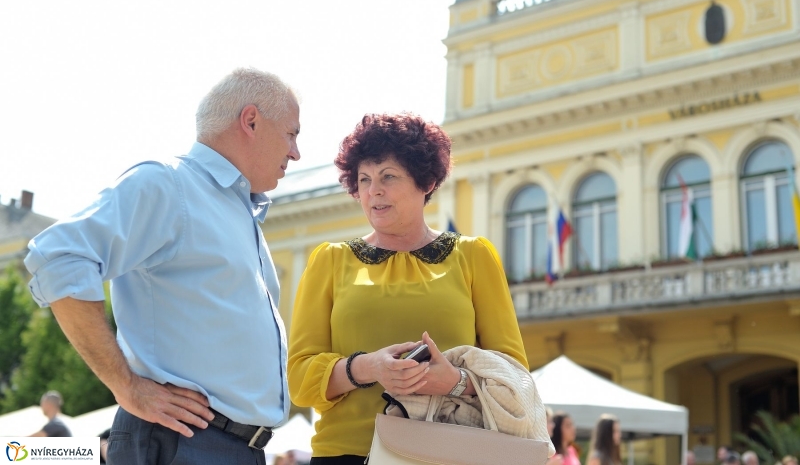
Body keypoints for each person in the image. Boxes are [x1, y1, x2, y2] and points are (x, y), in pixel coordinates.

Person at [24, 67, 301, 464]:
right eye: (292, 133)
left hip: (223, 446)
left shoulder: (238, 213)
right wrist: (127, 386)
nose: (295, 152)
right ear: (251, 120)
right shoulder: (170, 184)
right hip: (181, 442)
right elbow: (59, 256)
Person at [287, 113, 529, 464]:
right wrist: (368, 368)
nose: (374, 191)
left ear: (427, 181)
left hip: (450, 453)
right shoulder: (329, 260)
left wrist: (453, 381)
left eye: (388, 176)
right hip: (348, 454)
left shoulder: (474, 256)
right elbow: (299, 378)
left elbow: (514, 377)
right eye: (364, 179)